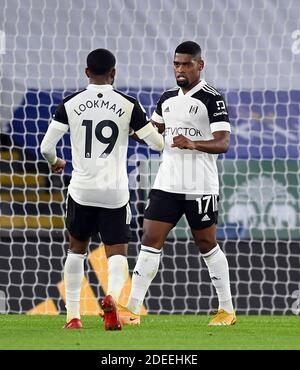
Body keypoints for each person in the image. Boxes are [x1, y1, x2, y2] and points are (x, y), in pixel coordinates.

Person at [40, 48, 164, 330]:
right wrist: (136, 131)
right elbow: (157, 144)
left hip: (82, 190)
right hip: (115, 193)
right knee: (117, 253)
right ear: (114, 73)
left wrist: (57, 161)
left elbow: (46, 147)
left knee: (76, 250)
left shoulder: (70, 103)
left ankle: (73, 317)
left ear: (86, 72)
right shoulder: (128, 104)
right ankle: (111, 298)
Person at [121, 41, 236, 326]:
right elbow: (155, 130)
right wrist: (133, 128)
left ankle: (226, 310)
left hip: (201, 185)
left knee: (206, 243)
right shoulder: (167, 97)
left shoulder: (212, 98)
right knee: (150, 238)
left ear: (200, 65)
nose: (180, 70)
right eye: (176, 64)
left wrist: (193, 143)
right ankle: (132, 310)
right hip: (167, 182)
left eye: (186, 64)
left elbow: (223, 143)